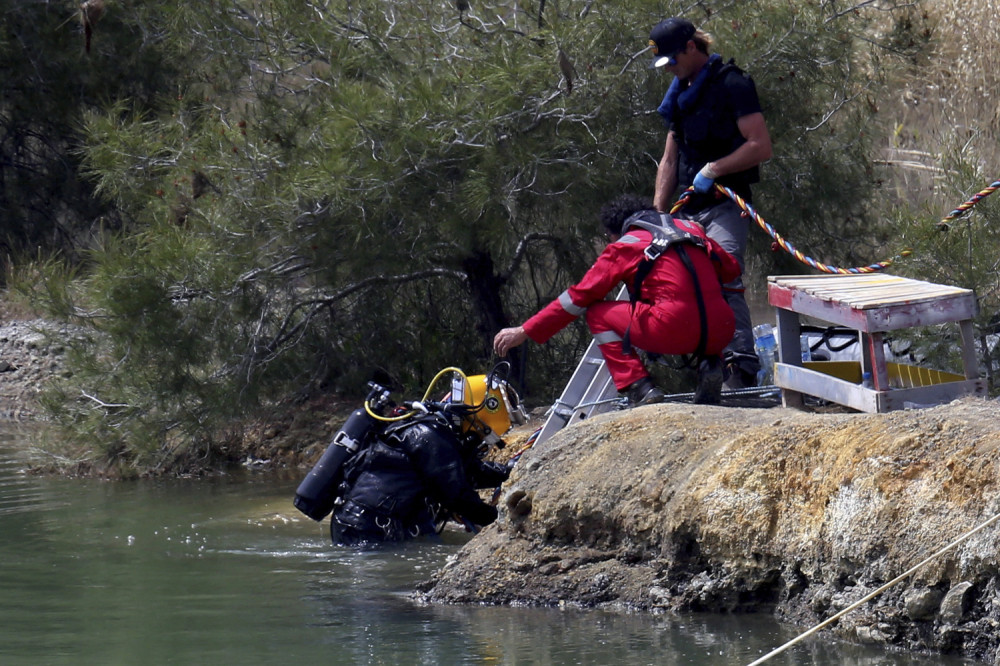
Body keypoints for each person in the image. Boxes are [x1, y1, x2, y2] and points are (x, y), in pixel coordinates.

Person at [493, 194, 740, 406]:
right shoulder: (693, 231)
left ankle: (640, 387)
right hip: (723, 329)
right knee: (704, 304)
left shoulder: (625, 244)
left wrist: (525, 330)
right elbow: (731, 270)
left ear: (614, 231)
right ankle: (711, 365)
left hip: (672, 327)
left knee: (597, 314)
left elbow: (577, 298)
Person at [648, 17, 773, 389]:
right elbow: (669, 159)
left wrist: (714, 169)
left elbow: (760, 146)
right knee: (680, 280)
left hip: (725, 204)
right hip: (687, 209)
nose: (669, 68)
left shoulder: (732, 84)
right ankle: (706, 365)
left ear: (691, 47)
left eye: (672, 60)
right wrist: (657, 214)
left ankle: (741, 366)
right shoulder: (680, 93)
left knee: (724, 272)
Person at [298, 372, 522, 547]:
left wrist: (511, 471)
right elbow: (457, 496)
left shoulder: (436, 433)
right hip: (366, 528)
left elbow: (468, 473)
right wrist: (503, 520)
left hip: (367, 525)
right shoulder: (430, 435)